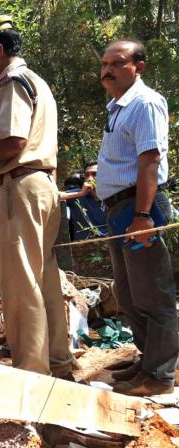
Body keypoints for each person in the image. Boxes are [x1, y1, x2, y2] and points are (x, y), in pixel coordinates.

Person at [0, 16, 72, 379]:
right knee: (45, 282)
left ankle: (31, 378)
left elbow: (14, 141)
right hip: (39, 187)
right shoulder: (36, 81)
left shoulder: (10, 82)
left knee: (19, 288)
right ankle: (58, 365)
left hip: (17, 188)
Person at [94, 40, 176, 396]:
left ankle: (160, 375)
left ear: (138, 66)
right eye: (104, 64)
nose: (107, 70)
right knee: (127, 294)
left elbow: (149, 161)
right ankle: (148, 360)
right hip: (119, 209)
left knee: (152, 294)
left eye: (117, 63)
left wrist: (143, 215)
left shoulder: (144, 102)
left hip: (139, 209)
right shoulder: (117, 107)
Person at [60, 161, 107, 240]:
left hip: (110, 242)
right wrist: (80, 194)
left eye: (94, 174)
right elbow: (52, 197)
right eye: (87, 175)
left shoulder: (112, 196)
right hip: (84, 245)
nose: (89, 178)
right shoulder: (78, 194)